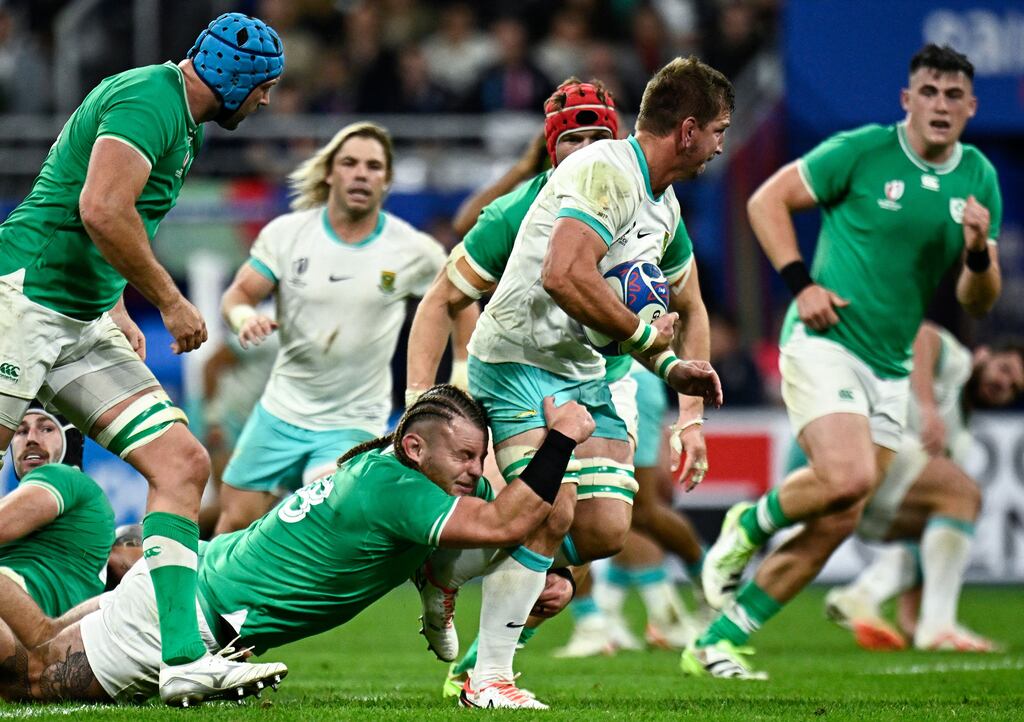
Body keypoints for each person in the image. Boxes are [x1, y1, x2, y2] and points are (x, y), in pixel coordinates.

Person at [416, 58, 731, 708]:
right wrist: (423, 401)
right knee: (548, 509)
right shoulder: (577, 185)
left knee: (605, 532)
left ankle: (455, 571)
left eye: (593, 137)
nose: (724, 142)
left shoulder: (660, 205)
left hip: (594, 374)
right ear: (690, 129)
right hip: (517, 364)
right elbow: (545, 277)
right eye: (720, 129)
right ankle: (490, 675)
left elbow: (692, 306)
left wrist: (690, 412)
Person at [685, 44, 1003, 680]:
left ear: (971, 107)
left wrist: (975, 252)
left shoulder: (979, 178)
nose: (941, 105)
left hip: (890, 366)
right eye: (929, 92)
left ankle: (716, 641)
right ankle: (747, 522)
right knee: (850, 476)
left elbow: (980, 298)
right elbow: (765, 202)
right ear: (906, 100)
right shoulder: (860, 151)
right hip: (825, 339)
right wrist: (801, 282)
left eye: (953, 96)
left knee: (841, 514)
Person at [0, 12, 286, 704]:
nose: (268, 102)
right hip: (25, 298)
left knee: (183, 463)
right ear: (237, 78)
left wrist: (117, 304)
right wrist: (169, 300)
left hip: (80, 314)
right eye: (266, 87)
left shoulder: (177, 117)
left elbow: (110, 219)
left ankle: (182, 658)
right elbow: (101, 207)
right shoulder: (148, 98)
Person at [0, 386, 593, 706]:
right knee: (30, 677)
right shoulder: (398, 490)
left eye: (476, 455)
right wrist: (562, 438)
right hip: (185, 620)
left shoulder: (398, 477)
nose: (473, 470)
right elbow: (500, 525)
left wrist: (553, 573)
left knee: (42, 643)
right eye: (463, 456)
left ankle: (438, 597)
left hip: (188, 583)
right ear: (415, 449)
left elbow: (506, 519)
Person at [216, 121, 476, 534]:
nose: (361, 173)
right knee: (234, 520)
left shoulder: (412, 249)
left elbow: (460, 296)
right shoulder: (287, 234)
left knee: (326, 519)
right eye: (350, 163)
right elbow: (238, 295)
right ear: (330, 173)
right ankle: (218, 600)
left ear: (387, 181)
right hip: (281, 408)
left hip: (354, 417)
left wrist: (462, 365)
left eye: (373, 166)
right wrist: (245, 319)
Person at [822, 325, 1023, 651]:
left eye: (1014, 387)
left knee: (942, 525)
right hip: (858, 447)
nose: (1004, 385)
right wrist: (928, 408)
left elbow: (932, 541)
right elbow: (921, 336)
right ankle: (940, 626)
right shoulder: (958, 363)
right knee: (965, 494)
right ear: (983, 354)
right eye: (1004, 370)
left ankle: (864, 595)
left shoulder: (961, 440)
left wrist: (908, 617)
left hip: (874, 500)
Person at [0, 403, 114, 621]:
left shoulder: (64, 477)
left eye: (46, 429)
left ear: (70, 438)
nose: (31, 439)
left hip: (21, 617)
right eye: (21, 431)